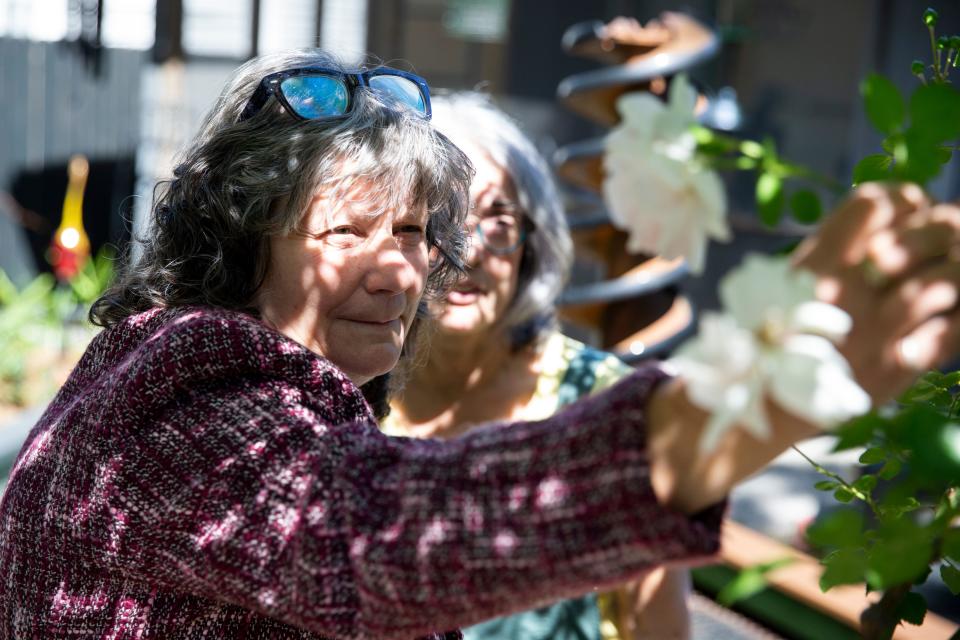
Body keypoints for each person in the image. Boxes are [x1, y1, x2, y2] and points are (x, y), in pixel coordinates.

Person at [0, 48, 957, 639]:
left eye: (414, 235)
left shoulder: (223, 376)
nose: (397, 273)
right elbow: (363, 540)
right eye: (346, 232)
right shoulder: (192, 391)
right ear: (242, 240)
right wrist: (743, 394)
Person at [382, 92, 692, 640]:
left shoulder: (606, 401)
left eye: (498, 219)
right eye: (443, 219)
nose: (469, 251)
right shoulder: (350, 397)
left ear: (532, 242)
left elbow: (660, 626)